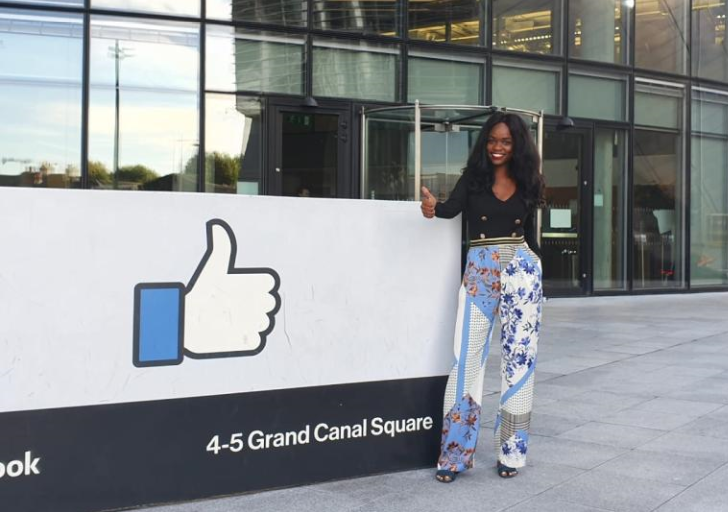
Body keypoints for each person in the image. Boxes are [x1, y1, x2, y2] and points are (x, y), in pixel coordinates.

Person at [420, 112, 545, 482]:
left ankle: (512, 453)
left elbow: (532, 234)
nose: (497, 147)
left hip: (523, 273)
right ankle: (454, 455)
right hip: (479, 273)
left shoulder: (528, 181)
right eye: (492, 140)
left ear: (517, 144)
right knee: (465, 362)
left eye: (505, 141)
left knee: (518, 366)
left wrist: (538, 271)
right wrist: (431, 208)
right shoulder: (473, 179)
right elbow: (448, 210)